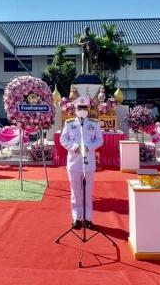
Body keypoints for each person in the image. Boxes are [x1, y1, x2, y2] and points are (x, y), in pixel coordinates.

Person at [60, 96, 103, 230]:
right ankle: (76, 218)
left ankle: (88, 218)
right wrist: (74, 147)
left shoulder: (94, 123)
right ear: (75, 109)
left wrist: (89, 147)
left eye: (85, 108)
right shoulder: (69, 123)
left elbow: (100, 140)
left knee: (88, 192)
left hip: (88, 162)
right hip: (74, 163)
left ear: (89, 109)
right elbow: (63, 140)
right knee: (75, 192)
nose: (82, 110)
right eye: (80, 108)